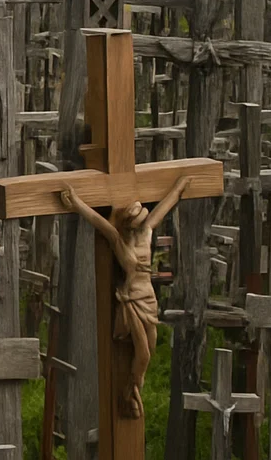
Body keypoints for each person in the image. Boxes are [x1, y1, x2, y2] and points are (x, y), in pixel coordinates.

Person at [60, 175, 192, 418]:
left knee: (150, 349)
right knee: (143, 353)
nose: (142, 222)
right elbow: (101, 223)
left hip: (149, 299)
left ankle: (133, 387)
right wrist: (77, 203)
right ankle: (132, 389)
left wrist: (179, 187)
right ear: (130, 224)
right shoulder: (121, 243)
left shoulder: (147, 232)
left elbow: (166, 206)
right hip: (131, 300)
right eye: (137, 220)